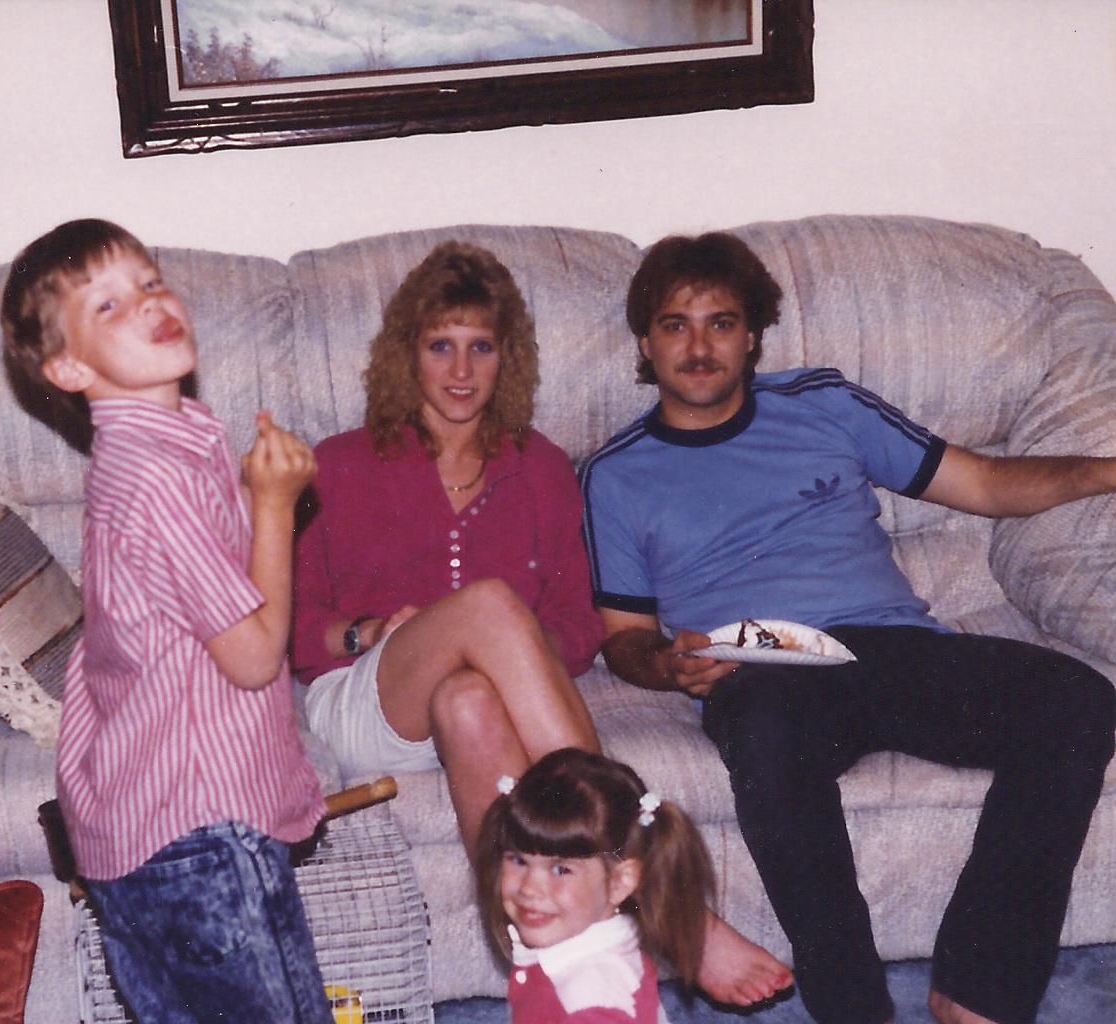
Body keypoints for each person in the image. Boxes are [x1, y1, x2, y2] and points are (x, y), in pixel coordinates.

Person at [580, 230, 1116, 1024]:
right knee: (766, 736)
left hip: (891, 647)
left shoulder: (824, 403)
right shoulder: (616, 473)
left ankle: (979, 994)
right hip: (763, 668)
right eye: (674, 325)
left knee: (1078, 700)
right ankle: (853, 1008)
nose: (698, 347)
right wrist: (667, 665)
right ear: (644, 343)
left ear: (752, 336)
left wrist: (1106, 471)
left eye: (721, 323)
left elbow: (987, 484)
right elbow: (623, 635)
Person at [292, 239, 790, 1007]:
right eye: (441, 346)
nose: (462, 370)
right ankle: (661, 883)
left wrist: (501, 653)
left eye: (482, 347)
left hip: (479, 705)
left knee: (467, 694)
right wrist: (370, 632)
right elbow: (294, 631)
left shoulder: (542, 466)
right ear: (406, 354)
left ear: (509, 357)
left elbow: (577, 625)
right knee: (490, 604)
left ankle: (550, 978)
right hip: (369, 702)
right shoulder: (338, 463)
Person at [1, 218, 332, 1024]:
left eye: (150, 282)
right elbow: (253, 657)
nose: (149, 303)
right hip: (198, 830)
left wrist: (252, 496)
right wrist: (275, 508)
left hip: (146, 828)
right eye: (108, 305)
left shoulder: (177, 438)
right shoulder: (153, 478)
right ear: (69, 367)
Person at [477, 748, 716, 1024]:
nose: (530, 888)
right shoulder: (575, 954)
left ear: (619, 882)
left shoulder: (591, 994)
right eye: (518, 860)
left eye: (561, 870)